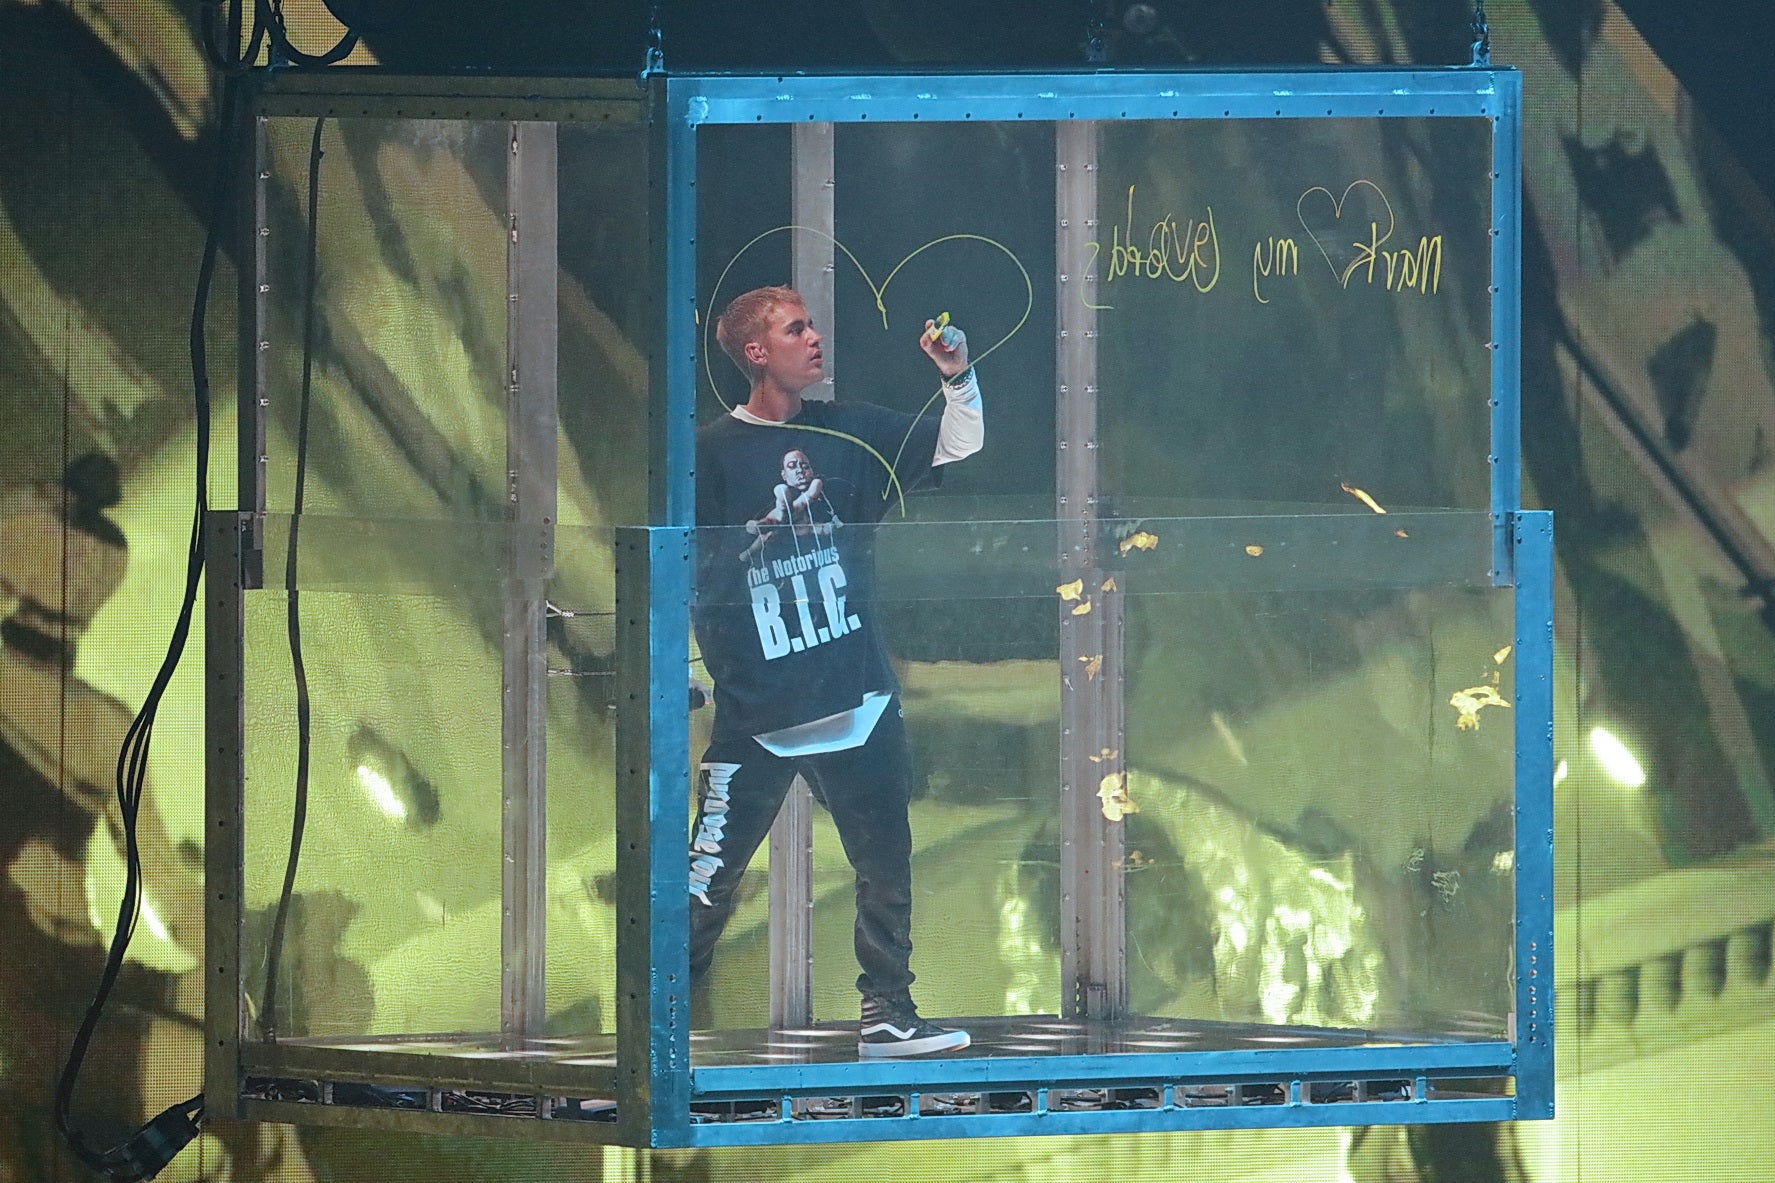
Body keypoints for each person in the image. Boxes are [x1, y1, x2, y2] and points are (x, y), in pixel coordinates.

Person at [689, 284, 983, 1057]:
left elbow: (956, 444)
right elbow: (685, 569)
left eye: (811, 325)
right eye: (796, 329)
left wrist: (955, 374)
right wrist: (706, 671)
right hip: (757, 711)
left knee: (884, 865)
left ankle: (887, 1013)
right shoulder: (709, 453)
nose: (814, 338)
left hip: (855, 699)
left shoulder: (848, 430)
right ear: (757, 352)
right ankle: (662, 1034)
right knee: (706, 881)